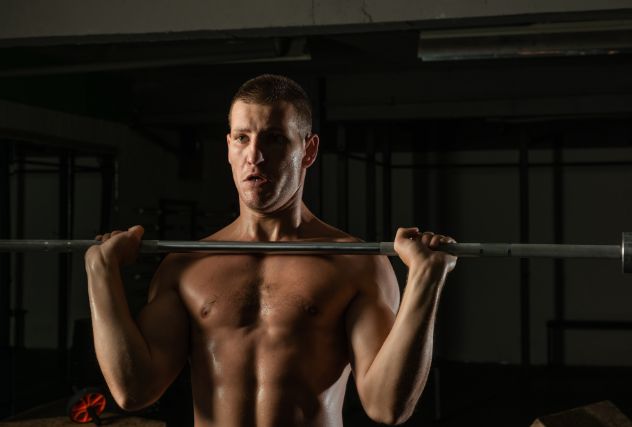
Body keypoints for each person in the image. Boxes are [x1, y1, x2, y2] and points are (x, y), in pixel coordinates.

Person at [85, 74, 457, 426]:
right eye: (242, 138)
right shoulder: (186, 265)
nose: (255, 155)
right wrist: (100, 273)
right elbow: (134, 391)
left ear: (308, 150)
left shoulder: (354, 264)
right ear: (228, 146)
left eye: (274, 138)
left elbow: (387, 406)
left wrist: (425, 279)